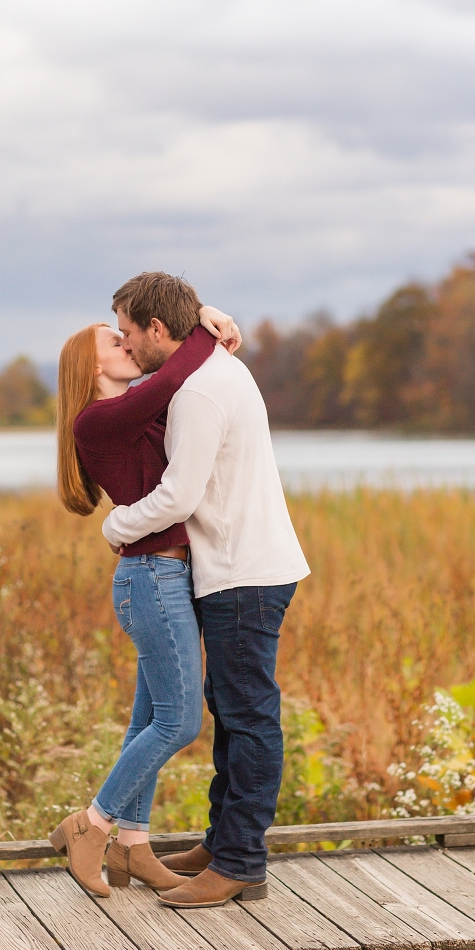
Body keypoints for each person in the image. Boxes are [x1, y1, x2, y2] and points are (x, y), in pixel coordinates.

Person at [102, 271, 310, 908]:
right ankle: (224, 844)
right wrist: (210, 315)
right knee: (232, 707)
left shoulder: (197, 390)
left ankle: (242, 863)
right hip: (242, 567)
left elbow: (178, 497)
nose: (127, 346)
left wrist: (117, 524)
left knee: (248, 716)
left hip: (243, 573)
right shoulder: (213, 365)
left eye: (131, 333)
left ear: (159, 329)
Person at [50, 283, 241, 898]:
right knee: (181, 721)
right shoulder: (98, 420)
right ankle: (92, 824)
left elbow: (181, 390)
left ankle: (132, 846)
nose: (127, 341)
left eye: (128, 331)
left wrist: (202, 318)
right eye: (115, 339)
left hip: (167, 577)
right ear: (92, 364)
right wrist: (204, 326)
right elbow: (173, 373)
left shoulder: (135, 412)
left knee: (147, 721)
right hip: (151, 578)